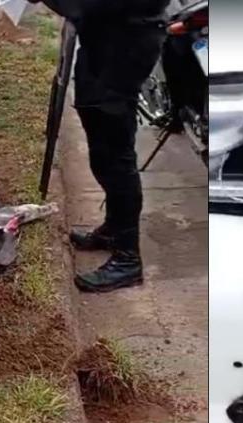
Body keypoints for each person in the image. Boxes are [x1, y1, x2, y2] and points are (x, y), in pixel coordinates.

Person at [32, 0, 169, 292]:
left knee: (114, 153)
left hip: (124, 45)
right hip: (106, 40)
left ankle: (128, 258)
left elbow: (83, 5)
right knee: (100, 140)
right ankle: (114, 229)